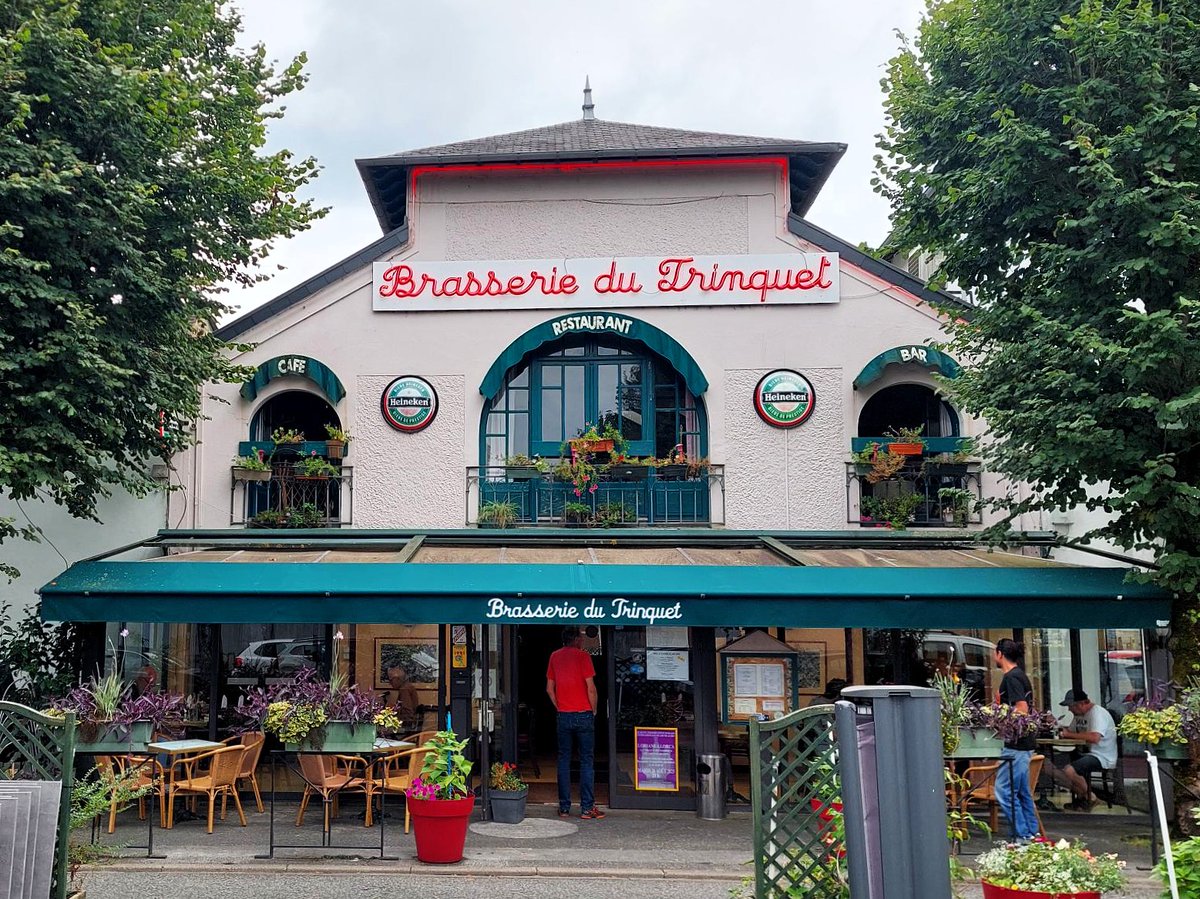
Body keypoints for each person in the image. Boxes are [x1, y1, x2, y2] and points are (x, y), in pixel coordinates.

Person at [546, 626, 604, 820]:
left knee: (564, 759)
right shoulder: (583, 657)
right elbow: (591, 688)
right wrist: (593, 709)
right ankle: (587, 808)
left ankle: (564, 808)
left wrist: (559, 706)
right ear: (576, 640)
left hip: (564, 714)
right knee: (586, 760)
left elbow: (549, 689)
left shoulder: (554, 656)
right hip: (583, 714)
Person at [992, 638, 1040, 841]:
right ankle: (1031, 833)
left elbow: (1021, 708)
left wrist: (999, 715)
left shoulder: (1011, 677)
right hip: (1024, 742)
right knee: (1020, 791)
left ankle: (1022, 836)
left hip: (1016, 743)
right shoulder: (1020, 675)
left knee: (1004, 790)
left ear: (1000, 654)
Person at [1052, 689, 1117, 811]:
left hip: (1101, 756)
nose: (1069, 710)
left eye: (1071, 706)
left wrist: (1068, 735)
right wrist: (1056, 725)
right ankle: (1086, 797)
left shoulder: (1098, 714)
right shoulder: (1079, 715)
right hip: (1083, 752)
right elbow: (1070, 731)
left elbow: (1094, 737)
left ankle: (1089, 798)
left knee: (1069, 770)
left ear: (1082, 703)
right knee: (1050, 768)